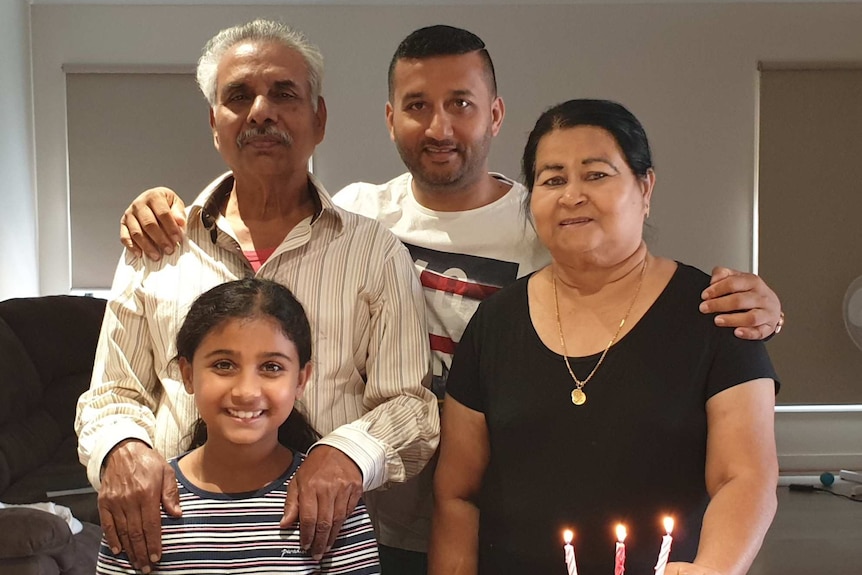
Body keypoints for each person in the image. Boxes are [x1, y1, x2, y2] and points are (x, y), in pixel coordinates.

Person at [114, 26, 783, 574]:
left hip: (480, 519)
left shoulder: (542, 221)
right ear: (389, 118)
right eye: (417, 105)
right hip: (352, 522)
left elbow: (634, 277)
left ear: (493, 114)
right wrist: (164, 204)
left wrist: (760, 302)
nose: (439, 126)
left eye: (461, 103)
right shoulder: (353, 218)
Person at [76, 19, 438, 575]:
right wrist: (123, 450)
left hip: (318, 545)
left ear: (319, 119)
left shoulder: (373, 252)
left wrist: (345, 455)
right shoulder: (158, 244)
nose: (261, 111)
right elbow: (111, 393)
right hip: (172, 542)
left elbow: (410, 406)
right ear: (214, 123)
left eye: (284, 93)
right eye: (238, 96)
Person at [430, 99, 778, 575]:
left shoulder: (714, 312)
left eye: (596, 174)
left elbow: (746, 476)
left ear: (645, 186)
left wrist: (716, 568)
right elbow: (457, 495)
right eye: (553, 179)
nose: (572, 195)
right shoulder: (495, 322)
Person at [96, 278, 380, 574]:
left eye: (272, 367)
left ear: (301, 379)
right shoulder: (144, 500)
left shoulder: (329, 500)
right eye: (223, 365)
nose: (246, 391)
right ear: (188, 374)